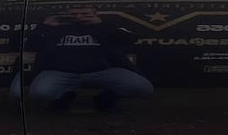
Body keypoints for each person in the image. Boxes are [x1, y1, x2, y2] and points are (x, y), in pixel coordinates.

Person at [11, 6, 154, 110]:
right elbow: (28, 44)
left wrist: (101, 25)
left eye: (85, 14)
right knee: (40, 93)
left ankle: (106, 98)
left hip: (103, 71)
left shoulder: (106, 26)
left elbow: (130, 39)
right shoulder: (56, 28)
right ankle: (64, 97)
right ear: (67, 15)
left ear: (95, 13)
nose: (79, 17)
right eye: (74, 14)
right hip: (59, 72)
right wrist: (44, 27)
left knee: (142, 87)